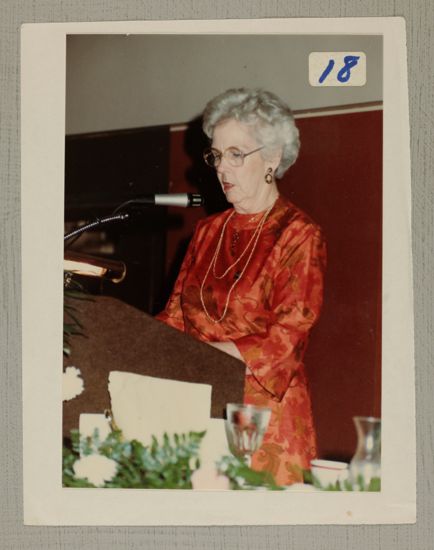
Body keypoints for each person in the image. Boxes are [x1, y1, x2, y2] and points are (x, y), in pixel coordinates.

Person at [157, 88, 326, 485]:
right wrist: (135, 344)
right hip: (198, 405)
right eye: (216, 155)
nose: (221, 169)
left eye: (236, 154)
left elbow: (285, 341)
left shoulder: (298, 234)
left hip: (262, 423)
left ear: (271, 157)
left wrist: (199, 357)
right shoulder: (205, 232)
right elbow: (174, 317)